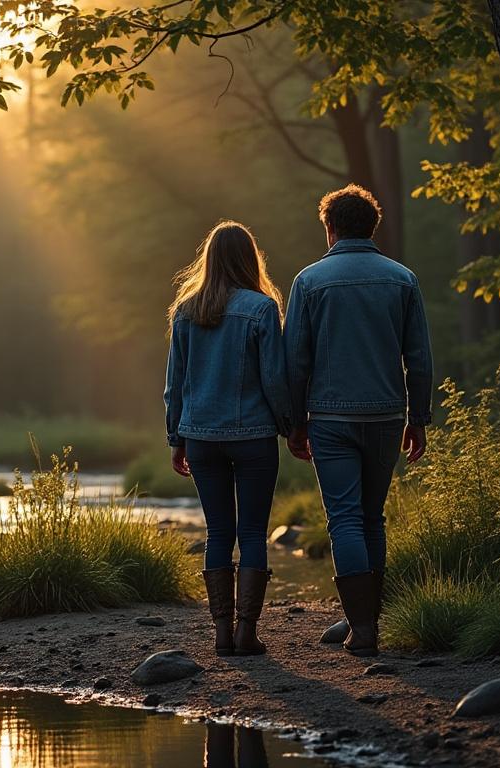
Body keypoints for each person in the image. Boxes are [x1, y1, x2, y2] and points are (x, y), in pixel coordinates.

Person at [284, 185, 433, 657]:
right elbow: (420, 358)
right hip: (388, 416)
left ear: (329, 229)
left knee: (344, 519)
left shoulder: (309, 281)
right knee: (372, 518)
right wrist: (419, 417)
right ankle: (372, 625)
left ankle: (362, 629)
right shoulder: (402, 279)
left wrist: (294, 422)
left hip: (329, 418)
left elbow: (295, 361)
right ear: (373, 226)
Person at [164, 220, 291, 657]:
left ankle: (220, 633)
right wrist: (291, 426)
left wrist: (175, 437)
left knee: (218, 531)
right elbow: (275, 379)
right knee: (253, 531)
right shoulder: (262, 308)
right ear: (249, 258)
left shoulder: (186, 311)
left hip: (200, 436)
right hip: (254, 435)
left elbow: (175, 384)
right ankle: (246, 633)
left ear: (209, 259)